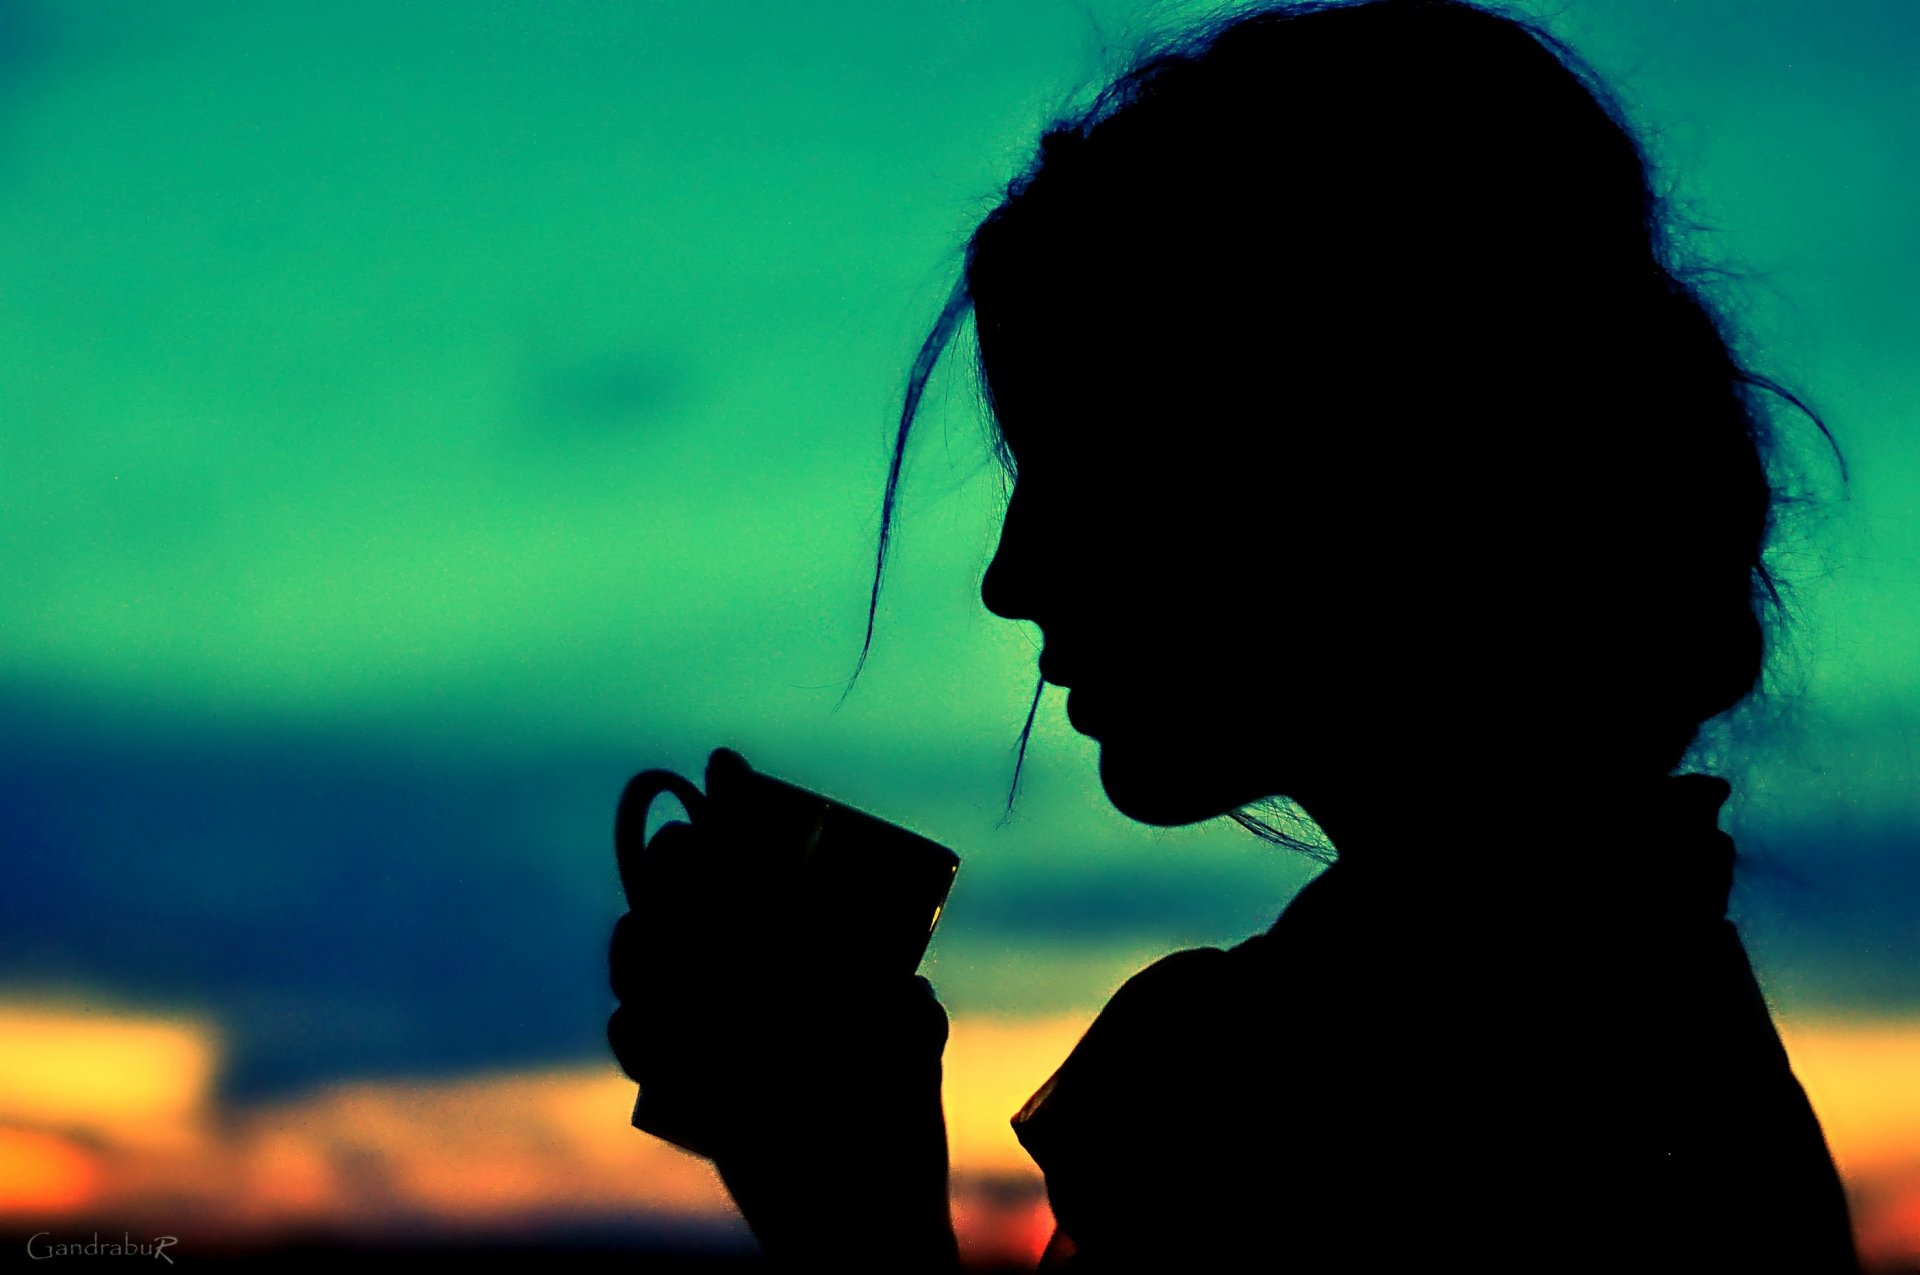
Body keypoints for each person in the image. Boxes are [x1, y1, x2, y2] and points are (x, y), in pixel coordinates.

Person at [608, 0, 1862, 1268]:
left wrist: (850, 1216)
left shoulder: (1372, 1107)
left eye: (1089, 471)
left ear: (1340, 478)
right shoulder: (1621, 1016)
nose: (1012, 576)